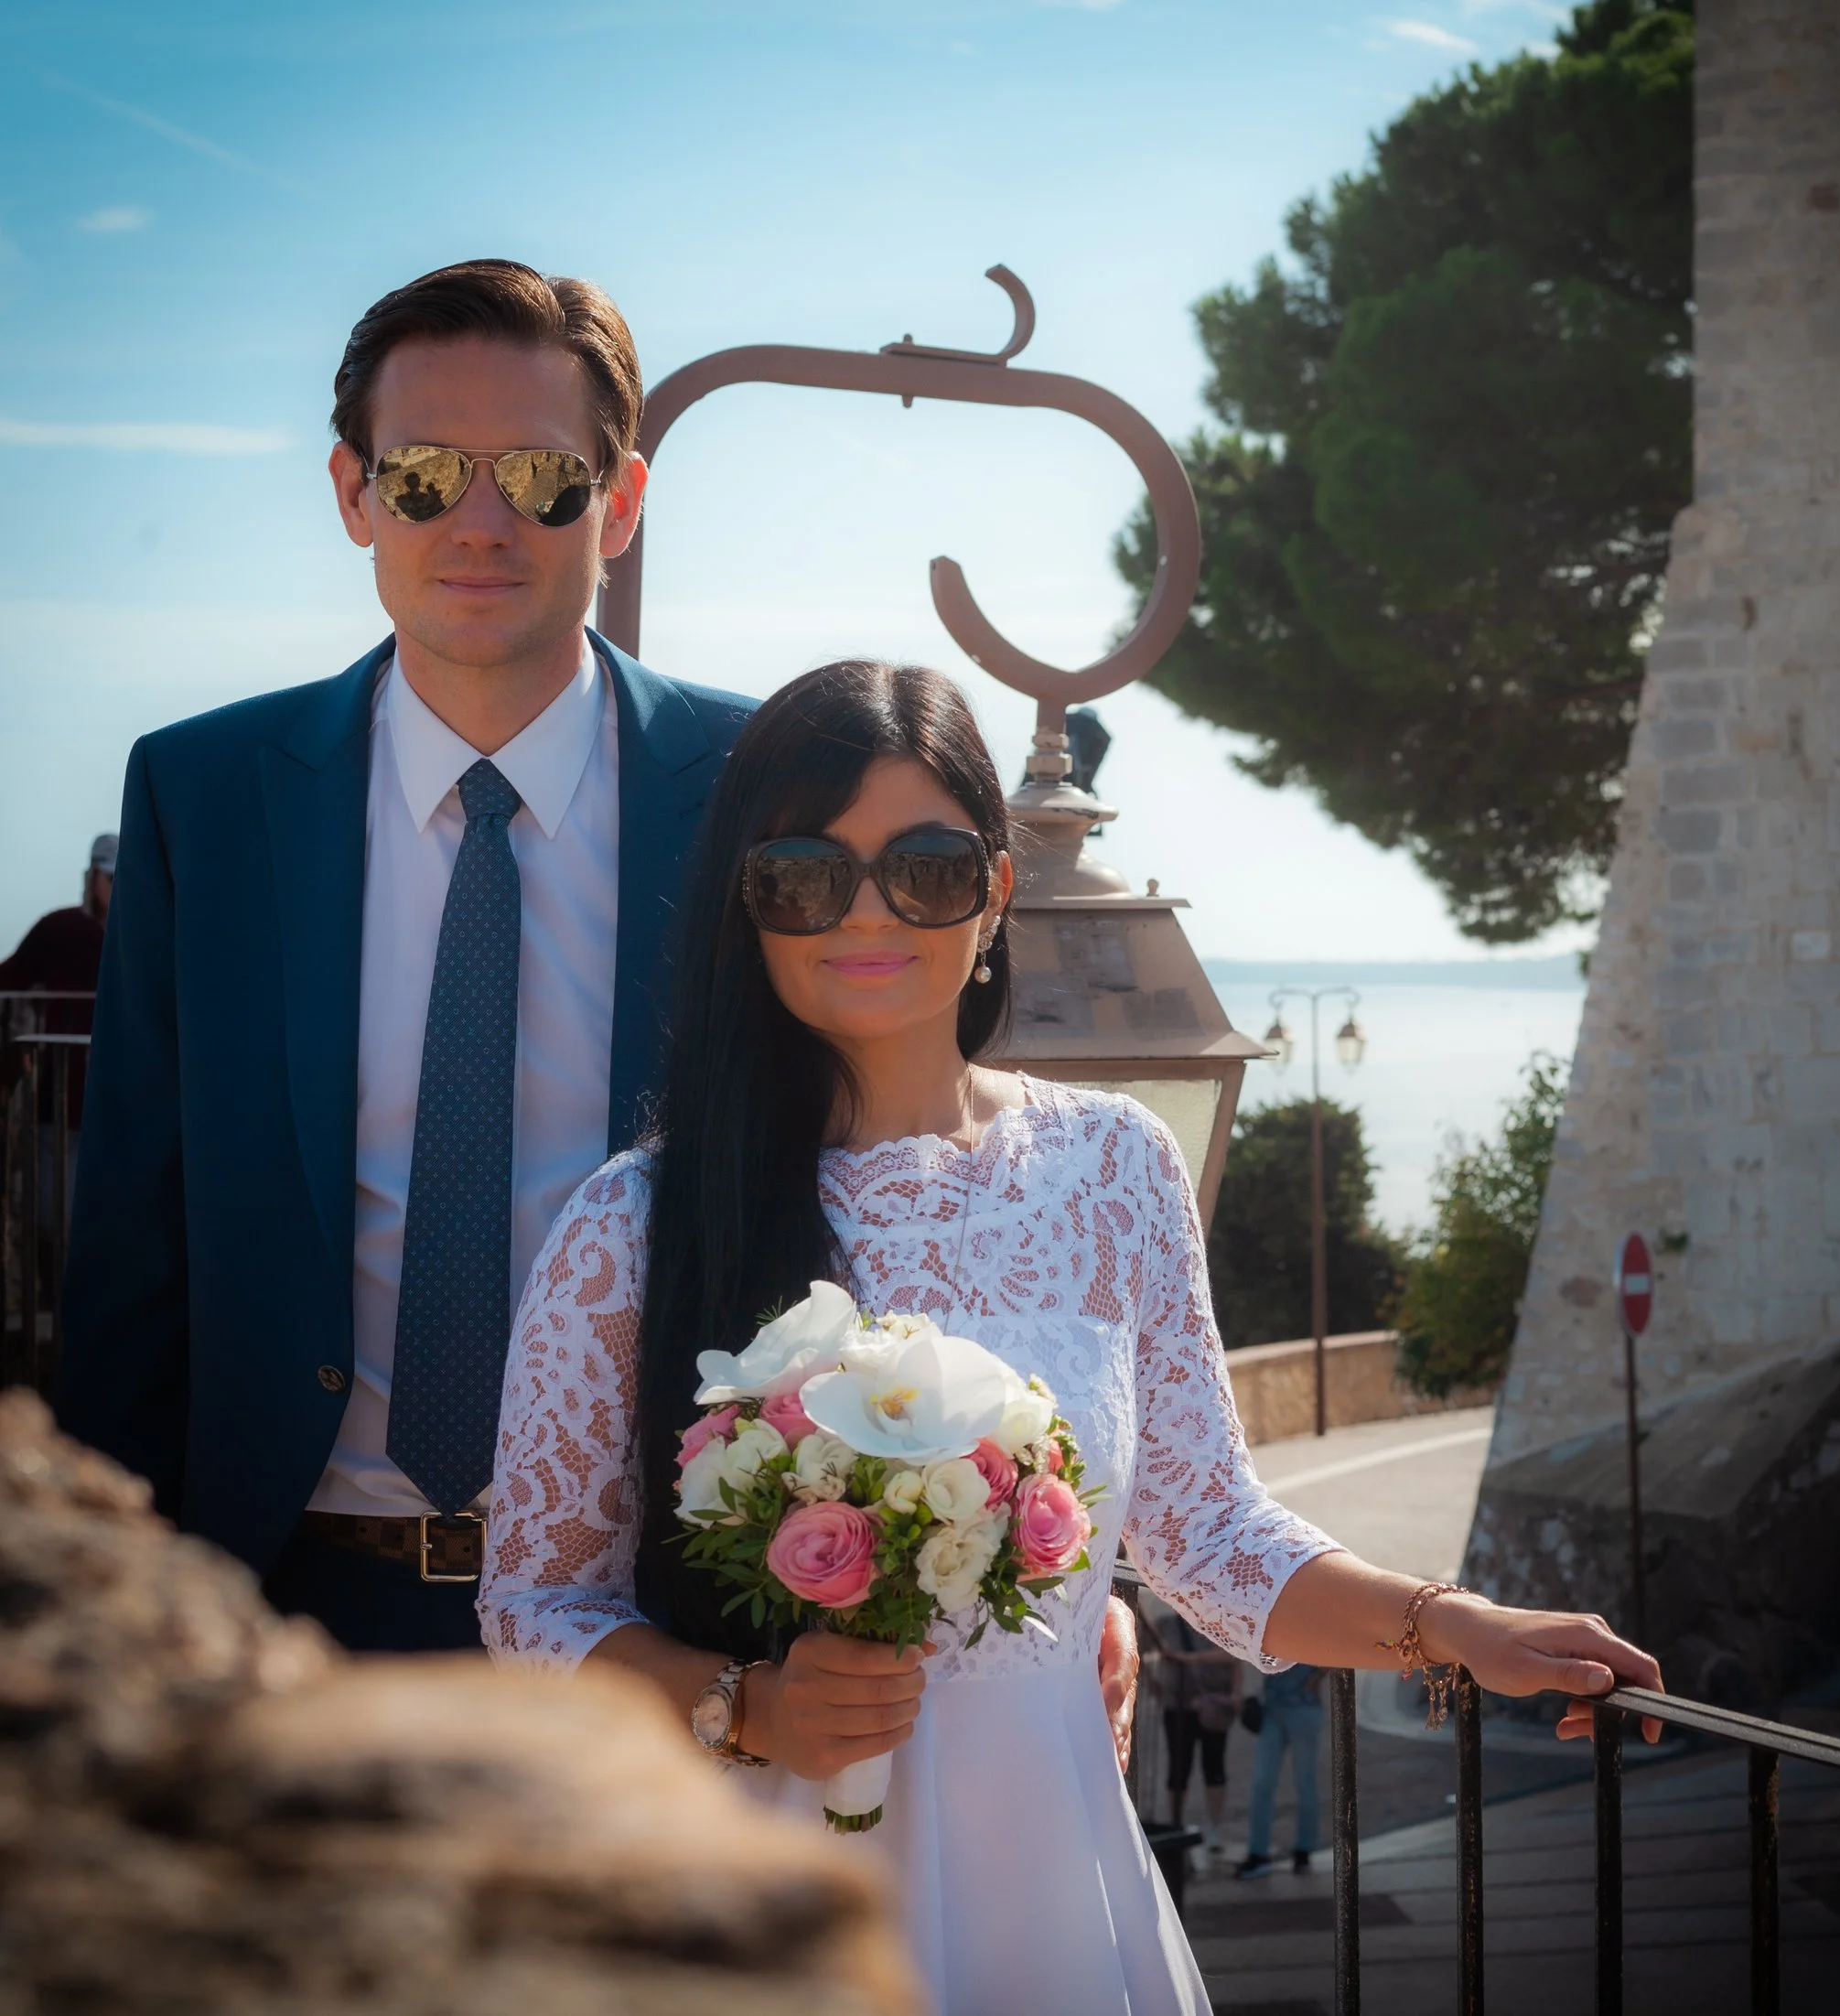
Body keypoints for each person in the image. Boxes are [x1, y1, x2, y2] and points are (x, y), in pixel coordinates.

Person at [479, 658, 1664, 2013]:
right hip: (753, 1914)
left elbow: (1210, 1531)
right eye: (807, 872)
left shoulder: (1114, 1168)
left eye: (922, 867)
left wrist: (1457, 1625)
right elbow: (535, 1607)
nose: (866, 911)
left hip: (1057, 1888)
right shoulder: (631, 1222)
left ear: (995, 891)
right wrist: (741, 1705)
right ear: (749, 910)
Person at [54, 257, 1138, 1719]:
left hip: (681, 1631)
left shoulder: (760, 790)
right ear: (352, 492)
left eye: (544, 478)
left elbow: (906, 1165)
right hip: (278, 1614)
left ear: (618, 504)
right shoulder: (205, 794)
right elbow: (133, 1247)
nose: (482, 522)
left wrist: (1072, 1584)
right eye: (427, 473)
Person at [0, 830, 113, 1125]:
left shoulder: (144, 939)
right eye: (112, 879)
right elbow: (10, 978)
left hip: (123, 1091)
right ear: (93, 878)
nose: (119, 888)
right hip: (62, 1091)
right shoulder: (58, 928)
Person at [1152, 1604, 1242, 1865]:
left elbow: (1235, 1657)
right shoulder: (1167, 1624)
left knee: (1214, 1766)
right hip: (1178, 1706)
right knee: (1178, 1769)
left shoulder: (1219, 1619)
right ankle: (1175, 1824)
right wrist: (1152, 1682)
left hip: (1213, 1704)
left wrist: (1235, 1693)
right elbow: (1146, 1649)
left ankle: (1213, 1828)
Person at [1234, 1663, 1323, 1880]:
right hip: (1272, 1706)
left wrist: (1318, 1675)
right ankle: (1258, 1852)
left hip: (1303, 1706)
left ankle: (1303, 1850)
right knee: (1262, 1781)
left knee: (1304, 1781)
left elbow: (1338, 1644)